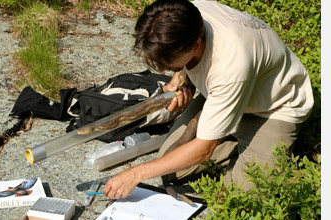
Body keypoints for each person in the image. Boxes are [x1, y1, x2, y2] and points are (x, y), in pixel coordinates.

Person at [103, 0, 314, 199]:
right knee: (172, 169)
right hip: (223, 94)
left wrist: (135, 174)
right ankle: (226, 135)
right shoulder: (186, 12)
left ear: (195, 44)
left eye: (167, 63)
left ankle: (254, 148)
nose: (161, 69)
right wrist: (181, 76)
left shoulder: (230, 65)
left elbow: (203, 148)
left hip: (272, 109)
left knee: (245, 193)